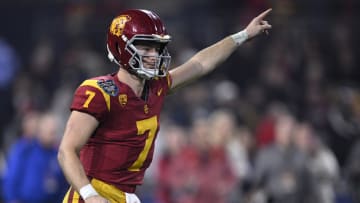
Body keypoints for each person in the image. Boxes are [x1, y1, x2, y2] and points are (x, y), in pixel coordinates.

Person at [57, 8, 272, 203]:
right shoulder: (100, 91)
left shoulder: (157, 86)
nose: (154, 56)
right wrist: (89, 194)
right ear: (121, 47)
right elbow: (66, 150)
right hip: (93, 193)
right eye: (145, 48)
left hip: (125, 195)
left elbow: (200, 64)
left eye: (157, 48)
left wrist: (242, 35)